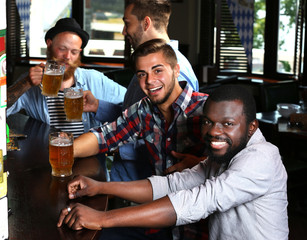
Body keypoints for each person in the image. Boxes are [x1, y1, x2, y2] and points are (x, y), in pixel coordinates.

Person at [57, 84, 289, 240]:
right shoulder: (225, 154)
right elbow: (171, 185)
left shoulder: (261, 159)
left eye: (227, 124)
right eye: (208, 122)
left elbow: (197, 201)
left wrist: (102, 218)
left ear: (251, 127)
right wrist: (99, 186)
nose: (213, 132)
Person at [85, 0, 200, 181]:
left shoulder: (175, 73)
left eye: (127, 23)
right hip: (126, 175)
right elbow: (134, 117)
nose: (124, 31)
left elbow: (172, 144)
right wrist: (98, 106)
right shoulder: (146, 65)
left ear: (146, 23)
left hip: (148, 185)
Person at [74, 39, 207, 177]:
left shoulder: (206, 107)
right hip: (157, 195)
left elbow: (230, 162)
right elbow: (104, 137)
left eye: (157, 70)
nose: (149, 80)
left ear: (176, 70)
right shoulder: (143, 109)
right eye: (142, 74)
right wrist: (63, 150)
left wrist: (202, 164)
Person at [7, 18, 126, 137]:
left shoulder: (94, 79)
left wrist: (97, 106)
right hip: (49, 152)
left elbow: (133, 109)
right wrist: (25, 83)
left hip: (88, 154)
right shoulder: (31, 81)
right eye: (62, 49)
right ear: (49, 44)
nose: (67, 57)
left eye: (74, 52)